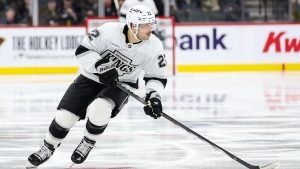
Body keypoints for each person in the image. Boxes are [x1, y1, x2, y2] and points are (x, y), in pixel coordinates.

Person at [26, 4, 167, 168]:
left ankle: (88, 142)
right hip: (90, 77)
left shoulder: (154, 46)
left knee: (100, 108)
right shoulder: (109, 31)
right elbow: (83, 49)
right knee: (65, 117)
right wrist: (101, 67)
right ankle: (48, 146)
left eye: (152, 24)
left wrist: (154, 97)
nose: (151, 29)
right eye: (145, 25)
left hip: (123, 84)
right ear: (133, 26)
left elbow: (157, 76)